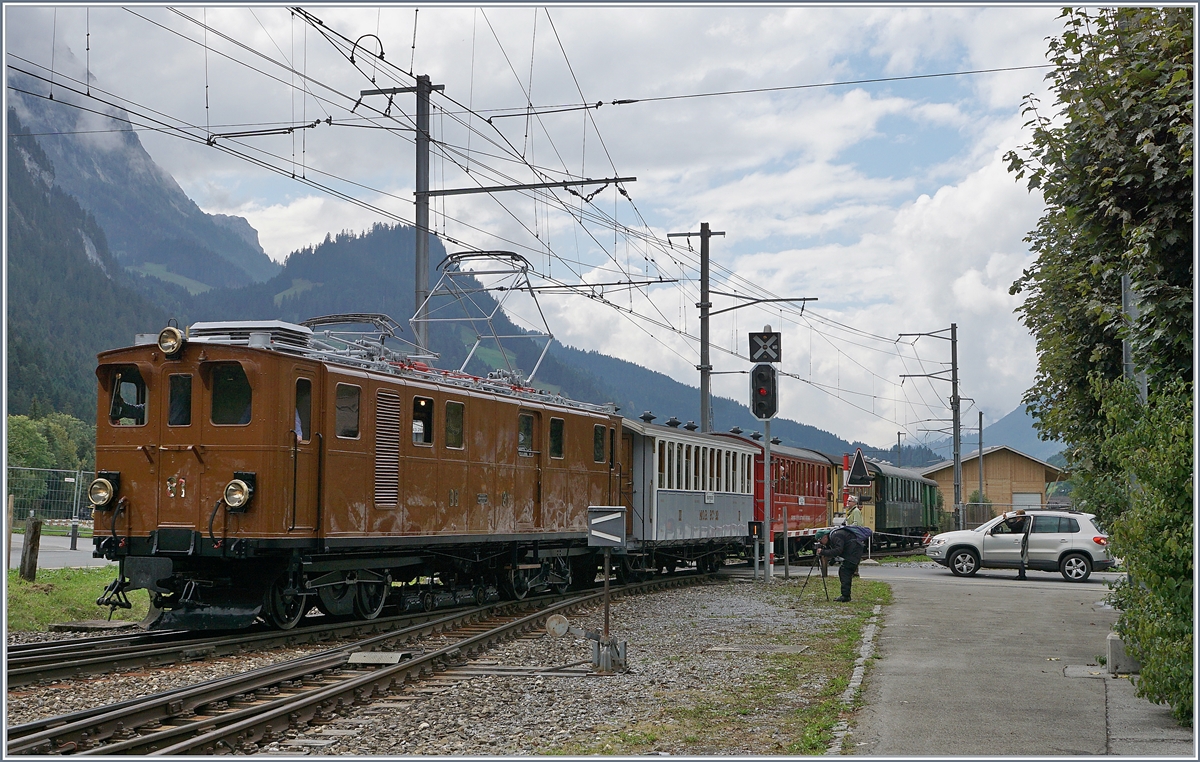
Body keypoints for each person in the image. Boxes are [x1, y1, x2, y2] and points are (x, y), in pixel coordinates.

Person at [816, 525, 864, 602]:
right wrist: (833, 560)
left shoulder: (836, 536)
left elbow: (838, 550)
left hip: (854, 552)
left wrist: (823, 552)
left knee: (844, 571)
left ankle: (845, 596)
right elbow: (838, 550)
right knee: (845, 571)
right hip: (854, 551)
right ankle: (846, 595)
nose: (821, 543)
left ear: (824, 537)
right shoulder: (834, 536)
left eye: (820, 540)